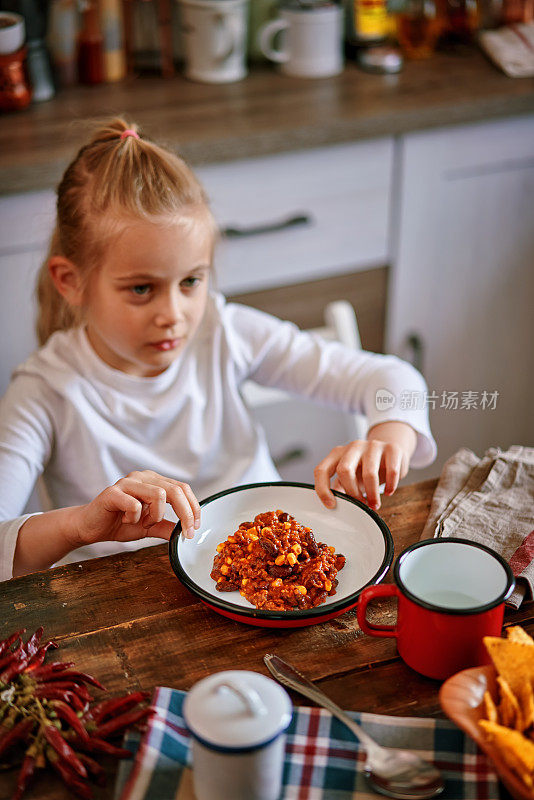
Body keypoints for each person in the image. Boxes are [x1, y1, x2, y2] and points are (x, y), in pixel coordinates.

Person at [0, 118, 436, 581]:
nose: (174, 313)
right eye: (142, 289)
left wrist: (388, 438)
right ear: (71, 282)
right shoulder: (44, 391)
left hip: (268, 574)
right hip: (123, 598)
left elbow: (395, 380)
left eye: (191, 281)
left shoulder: (224, 331)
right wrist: (80, 526)